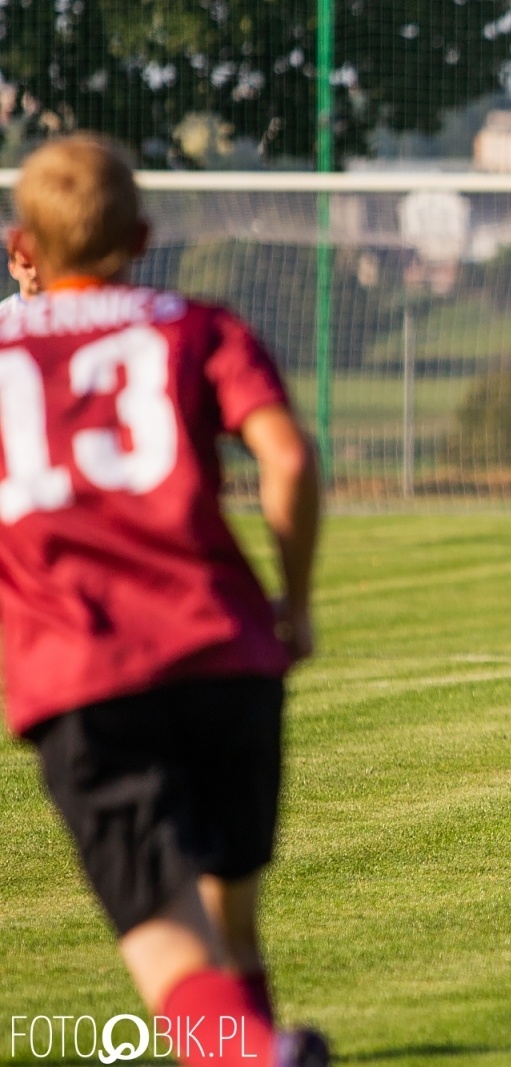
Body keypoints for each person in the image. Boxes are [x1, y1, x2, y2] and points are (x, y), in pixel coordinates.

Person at [2, 136, 327, 1066]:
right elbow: (291, 460)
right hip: (227, 653)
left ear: (21, 241)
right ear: (145, 233)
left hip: (85, 674)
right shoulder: (200, 326)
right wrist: (294, 605)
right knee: (229, 892)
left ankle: (251, 1054)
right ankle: (257, 1035)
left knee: (164, 939)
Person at [0, 242, 41, 312]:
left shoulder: (63, 311)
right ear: (12, 269)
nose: (34, 272)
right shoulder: (3, 315)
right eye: (26, 266)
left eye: (40, 264)